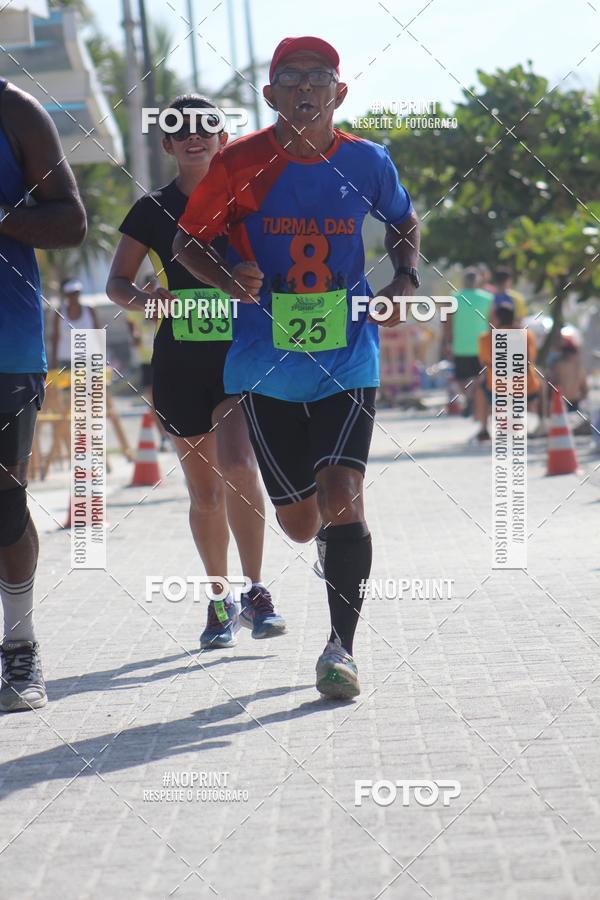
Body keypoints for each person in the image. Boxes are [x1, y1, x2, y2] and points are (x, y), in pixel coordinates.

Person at [173, 36, 420, 699]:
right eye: (290, 78)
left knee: (342, 499)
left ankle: (341, 649)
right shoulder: (238, 163)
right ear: (270, 94)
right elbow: (186, 242)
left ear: (339, 92)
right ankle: (328, 547)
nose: (305, 88)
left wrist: (403, 274)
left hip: (347, 354)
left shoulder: (369, 162)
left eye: (318, 78)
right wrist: (229, 275)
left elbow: (402, 221)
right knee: (300, 521)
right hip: (265, 363)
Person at [106, 94, 283, 650]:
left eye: (206, 127)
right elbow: (118, 284)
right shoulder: (152, 210)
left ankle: (257, 589)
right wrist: (147, 298)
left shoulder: (250, 199)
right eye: (180, 130)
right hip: (180, 360)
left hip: (242, 356)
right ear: (167, 145)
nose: (194, 137)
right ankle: (217, 600)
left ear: (222, 136)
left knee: (238, 464)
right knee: (204, 492)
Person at [0, 79, 86, 712]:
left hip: (5, 344)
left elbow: (70, 221)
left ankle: (20, 648)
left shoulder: (15, 111)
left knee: (3, 506)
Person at [474, 297, 539, 441]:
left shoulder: (485, 339)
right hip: (526, 389)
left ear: (496, 319)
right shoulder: (527, 335)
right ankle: (543, 423)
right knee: (542, 379)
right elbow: (531, 359)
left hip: (498, 390)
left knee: (480, 387)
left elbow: (484, 362)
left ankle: (484, 429)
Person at [443, 267, 493, 415]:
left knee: (460, 379)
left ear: (463, 281)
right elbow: (492, 323)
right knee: (480, 377)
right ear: (477, 281)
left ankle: (470, 397)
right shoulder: (487, 298)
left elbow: (447, 323)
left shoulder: (453, 298)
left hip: (461, 346)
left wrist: (447, 343)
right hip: (482, 346)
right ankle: (475, 398)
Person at [50, 277, 100, 368]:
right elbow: (55, 337)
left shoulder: (90, 310)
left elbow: (97, 334)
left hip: (88, 359)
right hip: (66, 360)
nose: (74, 296)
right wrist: (54, 362)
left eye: (76, 293)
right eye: (71, 294)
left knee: (87, 382)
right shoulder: (59, 313)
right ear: (66, 295)